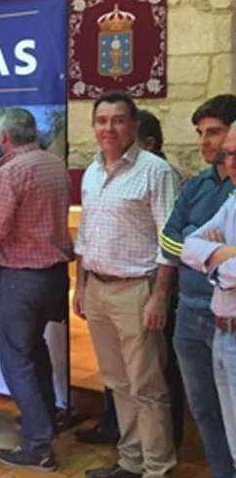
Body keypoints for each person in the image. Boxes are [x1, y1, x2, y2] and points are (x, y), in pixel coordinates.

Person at [74, 91, 179, 478]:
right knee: (117, 382)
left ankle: (158, 468)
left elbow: (171, 241)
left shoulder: (155, 171)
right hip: (99, 289)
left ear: (133, 126)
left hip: (138, 291)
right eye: (102, 121)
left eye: (118, 120)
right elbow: (85, 235)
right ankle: (130, 461)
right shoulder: (93, 171)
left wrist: (160, 296)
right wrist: (82, 286)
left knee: (147, 386)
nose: (109, 128)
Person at [0, 108, 73, 471]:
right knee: (35, 351)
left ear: (4, 137)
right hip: (53, 274)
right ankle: (44, 420)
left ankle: (38, 444)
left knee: (17, 360)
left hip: (20, 276)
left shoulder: (10, 172)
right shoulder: (55, 165)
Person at [158, 95, 236, 478]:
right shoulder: (197, 185)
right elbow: (170, 242)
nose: (205, 142)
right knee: (204, 409)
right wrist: (216, 252)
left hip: (227, 315)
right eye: (201, 133)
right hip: (190, 311)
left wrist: (201, 246)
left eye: (214, 133)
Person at [183, 122, 236, 476]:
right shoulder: (233, 202)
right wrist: (223, 255)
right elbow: (189, 245)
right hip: (223, 332)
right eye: (230, 153)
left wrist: (213, 260)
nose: (232, 161)